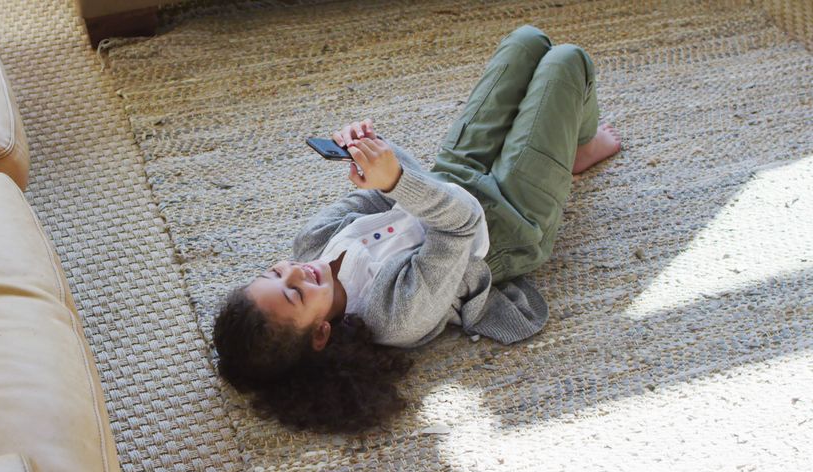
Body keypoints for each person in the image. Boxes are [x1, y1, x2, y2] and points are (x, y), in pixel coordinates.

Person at [213, 25, 621, 432]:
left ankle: (557, 148)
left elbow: (394, 190)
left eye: (275, 272)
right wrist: (392, 179)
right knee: (569, 61)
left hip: (449, 176)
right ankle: (577, 147)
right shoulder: (396, 316)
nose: (297, 270)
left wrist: (372, 154)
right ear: (320, 334)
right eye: (296, 292)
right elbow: (460, 226)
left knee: (527, 41)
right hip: (509, 218)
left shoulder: (313, 243)